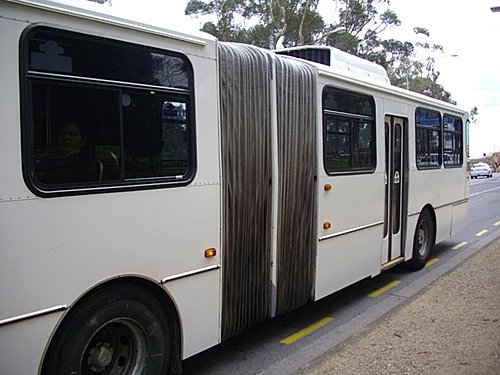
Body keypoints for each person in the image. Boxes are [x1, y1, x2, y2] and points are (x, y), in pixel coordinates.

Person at [36, 121, 101, 184]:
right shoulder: (48, 159)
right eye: (63, 133)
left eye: (72, 134)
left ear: (83, 141)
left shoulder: (87, 165)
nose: (66, 137)